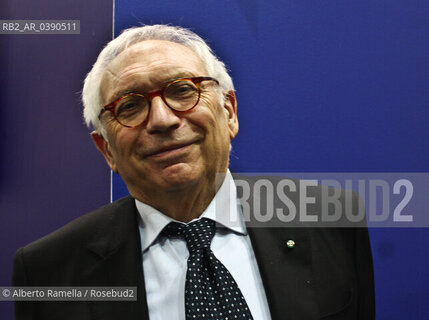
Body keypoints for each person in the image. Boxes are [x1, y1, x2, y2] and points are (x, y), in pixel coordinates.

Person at [12, 24, 375, 320]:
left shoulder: (329, 218)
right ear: (107, 149)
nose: (163, 120)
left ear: (229, 112)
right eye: (131, 105)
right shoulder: (49, 270)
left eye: (182, 90)